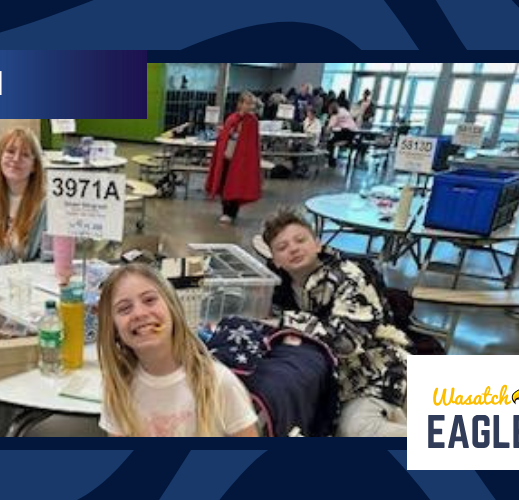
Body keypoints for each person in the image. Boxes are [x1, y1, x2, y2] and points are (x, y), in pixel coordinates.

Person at [262, 208, 410, 437]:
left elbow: (346, 341)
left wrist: (283, 322)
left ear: (318, 244)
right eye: (282, 247)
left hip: (378, 371)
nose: (293, 248)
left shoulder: (350, 275)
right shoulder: (280, 290)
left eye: (300, 240)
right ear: (276, 261)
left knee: (355, 429)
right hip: (333, 382)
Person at [97, 263, 259, 437]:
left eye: (150, 300)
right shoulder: (118, 389)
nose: (139, 313)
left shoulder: (219, 383)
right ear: (113, 329)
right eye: (124, 308)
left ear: (172, 308)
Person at [0, 127, 50, 268]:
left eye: (25, 155)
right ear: (0, 156)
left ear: (34, 166)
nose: (16, 159)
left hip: (31, 280)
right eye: (10, 151)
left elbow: (47, 261)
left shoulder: (47, 202)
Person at [205, 90, 263, 225]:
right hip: (227, 157)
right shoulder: (232, 118)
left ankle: (231, 212)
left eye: (251, 104)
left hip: (241, 161)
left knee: (237, 186)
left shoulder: (252, 122)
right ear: (240, 104)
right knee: (225, 185)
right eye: (247, 104)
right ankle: (225, 211)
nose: (249, 107)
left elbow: (251, 145)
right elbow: (224, 137)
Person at [326, 101, 359, 167]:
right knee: (337, 132)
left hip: (346, 132)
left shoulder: (335, 115)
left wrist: (326, 132)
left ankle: (331, 162)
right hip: (353, 132)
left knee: (330, 143)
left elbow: (329, 127)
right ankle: (347, 141)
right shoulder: (343, 109)